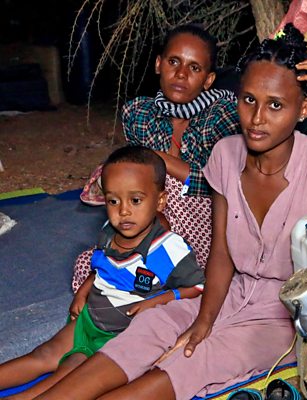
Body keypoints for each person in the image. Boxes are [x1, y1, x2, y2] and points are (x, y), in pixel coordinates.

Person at [35, 23, 307, 400]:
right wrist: (203, 319)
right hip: (226, 295)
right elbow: (222, 254)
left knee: (188, 361)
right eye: (249, 100)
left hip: (281, 320)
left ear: (303, 109)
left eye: (276, 105)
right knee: (148, 328)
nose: (257, 118)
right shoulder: (226, 154)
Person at [0, 145, 204, 399]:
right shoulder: (109, 231)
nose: (123, 211)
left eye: (135, 200)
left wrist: (158, 300)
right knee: (42, 355)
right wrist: (82, 293)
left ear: (160, 200)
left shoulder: (166, 249)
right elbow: (100, 267)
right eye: (113, 201)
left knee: (68, 374)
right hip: (90, 320)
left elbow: (198, 287)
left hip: (120, 338)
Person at [73, 24, 241, 292]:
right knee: (88, 264)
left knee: (161, 180)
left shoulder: (222, 115)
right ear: (158, 64)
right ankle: (145, 277)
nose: (181, 74)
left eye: (194, 68)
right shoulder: (140, 114)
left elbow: (220, 184)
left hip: (208, 226)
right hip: (150, 222)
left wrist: (157, 158)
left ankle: (163, 278)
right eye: (174, 62)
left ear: (208, 80)